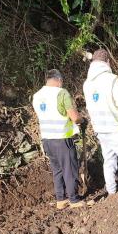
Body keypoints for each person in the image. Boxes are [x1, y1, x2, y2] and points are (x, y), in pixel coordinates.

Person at [83, 48, 118, 195]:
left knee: (109, 160)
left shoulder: (87, 84)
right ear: (107, 62)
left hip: (100, 129)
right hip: (115, 126)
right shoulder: (111, 79)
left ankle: (112, 192)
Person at [33, 69, 85, 209]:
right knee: (70, 169)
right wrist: (82, 120)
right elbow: (74, 117)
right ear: (59, 80)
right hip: (62, 139)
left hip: (47, 140)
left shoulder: (37, 96)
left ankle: (61, 200)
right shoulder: (61, 93)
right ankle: (74, 200)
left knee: (57, 170)